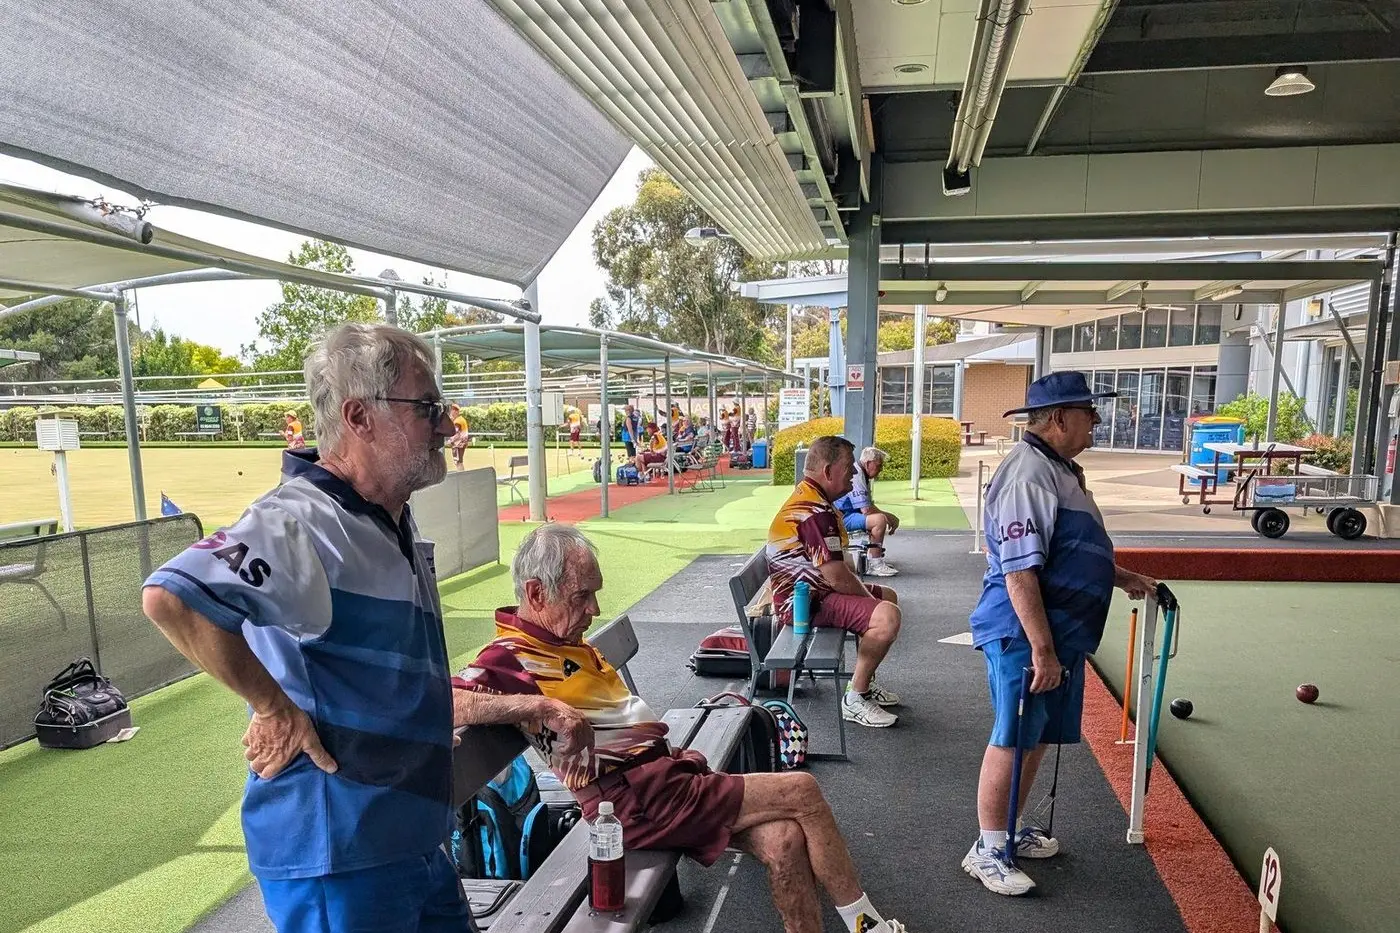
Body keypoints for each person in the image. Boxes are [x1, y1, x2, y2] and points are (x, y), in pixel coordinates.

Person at [141, 323, 468, 932]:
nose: (446, 426)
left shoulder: (385, 514)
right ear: (359, 416)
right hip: (340, 853)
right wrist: (274, 709)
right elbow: (172, 598)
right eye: (427, 408)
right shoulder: (299, 521)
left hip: (408, 838)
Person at [453, 524, 912, 933]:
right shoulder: (510, 656)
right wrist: (540, 705)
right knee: (802, 790)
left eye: (595, 593)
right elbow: (442, 701)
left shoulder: (560, 637)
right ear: (536, 594)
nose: (594, 608)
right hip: (636, 803)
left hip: (663, 783)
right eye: (581, 596)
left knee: (784, 839)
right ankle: (868, 926)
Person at [961, 371, 1158, 897]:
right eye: (1088, 412)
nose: (1096, 420)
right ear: (1058, 418)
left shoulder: (1059, 469)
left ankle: (1005, 830)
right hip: (1025, 632)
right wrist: (1043, 651)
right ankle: (987, 848)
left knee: (1037, 734)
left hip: (1057, 631)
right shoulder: (1028, 475)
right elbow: (1019, 572)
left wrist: (1122, 577)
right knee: (1013, 735)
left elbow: (1066, 551)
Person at [766, 435, 903, 728]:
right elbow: (837, 577)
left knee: (889, 597)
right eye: (848, 467)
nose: (854, 473)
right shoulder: (813, 512)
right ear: (828, 471)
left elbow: (837, 569)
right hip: (802, 604)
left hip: (814, 592)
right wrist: (870, 601)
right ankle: (855, 698)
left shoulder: (815, 500)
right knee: (886, 616)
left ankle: (864, 682)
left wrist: (870, 598)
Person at [833, 447, 900, 577]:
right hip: (840, 518)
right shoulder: (857, 475)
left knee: (878, 517)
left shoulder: (860, 473)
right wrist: (890, 517)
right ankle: (875, 564)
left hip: (845, 514)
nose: (881, 469)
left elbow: (867, 505)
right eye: (879, 465)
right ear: (868, 463)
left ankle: (872, 559)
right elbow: (867, 510)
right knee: (879, 520)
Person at [449, 402, 471, 470]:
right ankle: (462, 473)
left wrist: (450, 441)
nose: (451, 412)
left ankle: (461, 474)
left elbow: (454, 433)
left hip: (458, 444)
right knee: (460, 461)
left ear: (456, 412)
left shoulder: (457, 421)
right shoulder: (461, 419)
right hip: (462, 443)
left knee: (458, 462)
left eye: (452, 410)